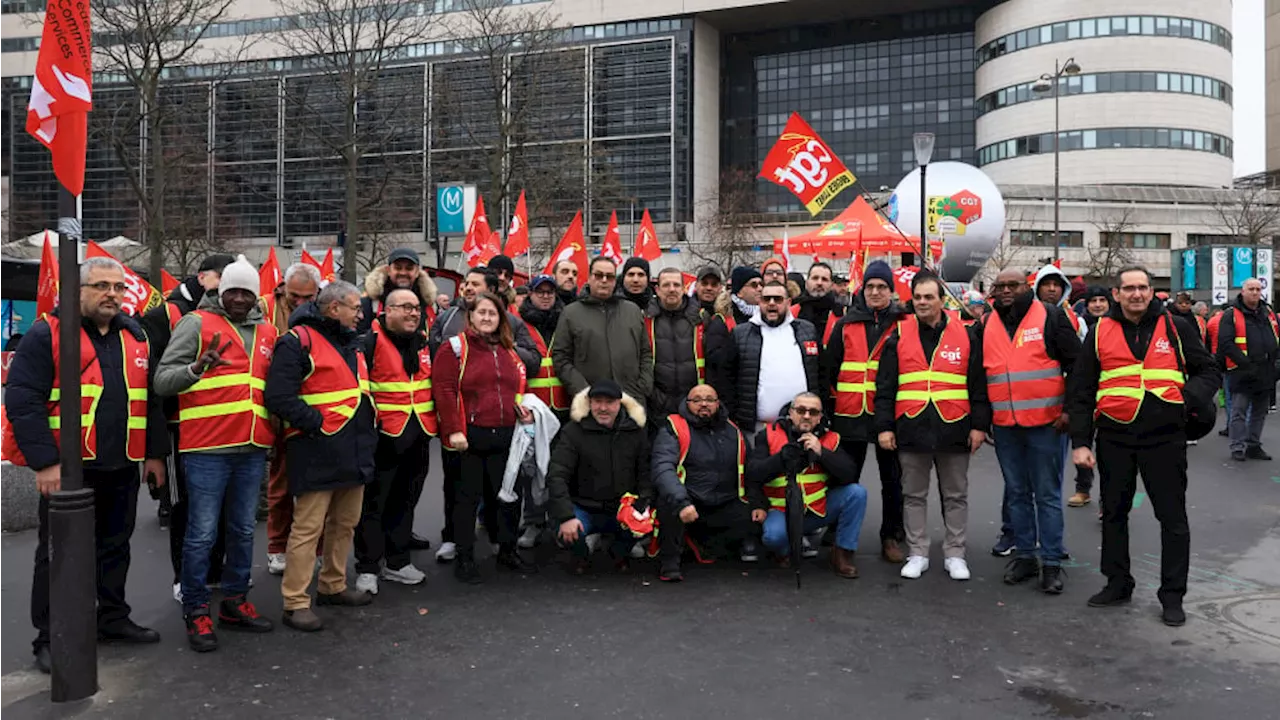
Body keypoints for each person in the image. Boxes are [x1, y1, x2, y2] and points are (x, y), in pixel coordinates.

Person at [6, 257, 168, 673]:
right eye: (101, 286)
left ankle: (111, 618)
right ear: (78, 291)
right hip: (70, 471)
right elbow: (23, 402)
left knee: (116, 548)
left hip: (122, 467)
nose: (112, 294)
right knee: (58, 556)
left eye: (117, 286)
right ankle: (50, 636)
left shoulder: (134, 337)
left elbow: (147, 402)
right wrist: (45, 463)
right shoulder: (47, 335)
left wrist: (153, 455)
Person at [1068, 266, 1219, 627]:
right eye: (1129, 288)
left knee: (1173, 518)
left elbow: (1209, 371)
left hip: (1165, 438)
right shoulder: (1101, 330)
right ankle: (1117, 583)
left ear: (1152, 292)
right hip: (1115, 437)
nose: (1137, 294)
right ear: (1116, 294)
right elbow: (1082, 390)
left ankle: (1172, 595)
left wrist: (1187, 398)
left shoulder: (1177, 327)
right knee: (1114, 515)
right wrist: (1080, 442)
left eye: (1143, 287)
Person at [154, 255, 276, 651]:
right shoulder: (196, 323)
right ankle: (196, 609)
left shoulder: (269, 332)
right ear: (219, 292)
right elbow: (162, 381)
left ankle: (235, 601)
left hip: (253, 447)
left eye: (246, 292)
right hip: (206, 447)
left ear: (256, 296)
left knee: (242, 530)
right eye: (232, 291)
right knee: (202, 535)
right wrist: (195, 369)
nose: (239, 298)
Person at [264, 280, 378, 632]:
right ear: (334, 309)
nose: (360, 315)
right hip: (317, 448)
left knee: (345, 523)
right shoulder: (297, 341)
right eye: (355, 308)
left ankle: (332, 584)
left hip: (353, 448)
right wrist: (318, 424)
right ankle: (295, 602)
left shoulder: (352, 344)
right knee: (308, 528)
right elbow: (279, 396)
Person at [875, 272, 990, 582]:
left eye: (929, 297)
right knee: (913, 495)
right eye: (918, 297)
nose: (923, 302)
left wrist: (979, 426)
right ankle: (918, 553)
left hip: (954, 427)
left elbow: (978, 385)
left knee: (956, 495)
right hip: (911, 427)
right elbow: (884, 387)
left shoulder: (967, 334)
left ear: (942, 300)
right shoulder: (897, 334)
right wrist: (884, 428)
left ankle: (955, 554)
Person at [139, 252, 234, 597]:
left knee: (222, 502)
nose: (233, 289)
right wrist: (156, 439)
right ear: (204, 276)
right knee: (184, 506)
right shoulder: (165, 313)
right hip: (179, 426)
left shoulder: (231, 312)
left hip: (222, 425)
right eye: (226, 279)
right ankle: (183, 578)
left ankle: (214, 571)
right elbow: (153, 377)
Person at [428, 267, 539, 563]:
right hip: (470, 436)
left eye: (493, 314)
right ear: (471, 316)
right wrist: (454, 430)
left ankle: (507, 549)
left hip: (506, 433)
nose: (487, 318)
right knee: (466, 500)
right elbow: (445, 391)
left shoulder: (508, 350)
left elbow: (518, 384)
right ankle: (465, 557)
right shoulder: (455, 348)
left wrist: (525, 412)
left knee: (506, 496)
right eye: (482, 313)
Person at [982, 269, 1081, 594]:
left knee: (1048, 496)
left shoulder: (1051, 316)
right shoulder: (987, 323)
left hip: (1047, 423)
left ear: (1027, 287)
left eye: (1014, 285)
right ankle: (1025, 556)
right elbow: (981, 378)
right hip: (1006, 427)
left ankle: (1051, 563)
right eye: (1001, 286)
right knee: (1018, 495)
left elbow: (1077, 366)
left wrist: (1068, 411)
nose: (1007, 291)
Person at [821, 260, 907, 562]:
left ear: (891, 291)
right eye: (870, 286)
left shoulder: (903, 324)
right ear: (863, 289)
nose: (875, 292)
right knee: (844, 475)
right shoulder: (845, 324)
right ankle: (835, 530)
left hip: (888, 414)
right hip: (849, 413)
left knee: (892, 480)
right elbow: (828, 368)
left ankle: (892, 535)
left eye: (881, 287)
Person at [353, 288, 436, 596]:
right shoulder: (368, 343)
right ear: (386, 311)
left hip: (420, 435)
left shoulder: (426, 342)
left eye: (416, 308)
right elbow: (361, 392)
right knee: (373, 505)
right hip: (383, 438)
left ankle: (398, 562)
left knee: (406, 500)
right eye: (405, 308)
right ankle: (368, 567)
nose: (413, 313)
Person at [745, 392, 867, 576]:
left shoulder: (831, 438)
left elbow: (849, 474)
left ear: (819, 417)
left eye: (813, 412)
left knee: (857, 493)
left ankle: (842, 553)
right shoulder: (768, 434)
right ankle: (785, 549)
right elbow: (753, 473)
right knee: (773, 537)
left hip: (815, 510)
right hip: (781, 511)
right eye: (801, 410)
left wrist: (822, 453)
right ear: (791, 413)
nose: (807, 416)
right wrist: (780, 459)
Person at [546, 380, 652, 574]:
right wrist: (566, 515)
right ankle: (581, 556)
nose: (603, 408)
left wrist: (642, 506)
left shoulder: (635, 431)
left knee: (645, 523)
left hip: (621, 507)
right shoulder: (572, 431)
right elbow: (557, 475)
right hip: (582, 506)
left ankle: (617, 553)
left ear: (620, 404)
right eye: (597, 402)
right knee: (568, 532)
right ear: (589, 403)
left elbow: (645, 473)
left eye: (609, 402)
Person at [652, 385, 756, 581]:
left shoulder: (733, 431)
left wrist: (758, 504)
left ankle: (702, 543)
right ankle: (670, 562)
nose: (704, 404)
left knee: (755, 518)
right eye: (697, 400)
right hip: (690, 501)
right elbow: (662, 468)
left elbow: (750, 470)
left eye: (709, 400)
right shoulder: (673, 426)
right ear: (687, 403)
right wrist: (682, 502)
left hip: (724, 500)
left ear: (718, 404)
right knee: (669, 503)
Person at [260, 263, 322, 575]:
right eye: (293, 295)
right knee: (281, 484)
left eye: (307, 297)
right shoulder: (263, 308)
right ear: (282, 287)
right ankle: (277, 546)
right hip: (277, 410)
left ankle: (317, 547)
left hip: (312, 410)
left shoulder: (323, 312)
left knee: (318, 485)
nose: (299, 302)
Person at [714, 281, 820, 433]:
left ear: (788, 302)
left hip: (802, 428)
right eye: (766, 299)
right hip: (756, 428)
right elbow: (726, 380)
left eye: (777, 299)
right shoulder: (740, 334)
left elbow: (820, 374)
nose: (771, 303)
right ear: (759, 302)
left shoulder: (807, 331)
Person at [552, 256, 652, 401]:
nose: (604, 280)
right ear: (589, 277)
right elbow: (561, 358)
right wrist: (583, 391)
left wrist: (643, 387)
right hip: (590, 404)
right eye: (598, 275)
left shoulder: (632, 311)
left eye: (610, 276)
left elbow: (645, 353)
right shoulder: (570, 313)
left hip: (632, 402)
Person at [1217, 278, 1279, 462]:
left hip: (1266, 371)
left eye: (1258, 289)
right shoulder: (1231, 315)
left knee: (1260, 412)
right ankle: (1237, 446)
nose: (1255, 292)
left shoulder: (1268, 313)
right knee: (1239, 411)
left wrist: (1276, 366)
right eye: (1251, 289)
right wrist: (1246, 364)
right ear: (1242, 291)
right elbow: (1226, 344)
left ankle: (1253, 445)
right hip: (1242, 372)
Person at [1065, 284, 1113, 511]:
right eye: (1093, 301)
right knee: (1082, 443)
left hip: (1110, 396)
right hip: (1084, 393)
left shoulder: (1115, 326)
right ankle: (1083, 489)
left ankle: (1108, 500)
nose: (1098, 305)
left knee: (1108, 453)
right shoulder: (1078, 325)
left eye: (1102, 300)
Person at [646, 268, 708, 420]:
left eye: (676, 285)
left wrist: (698, 398)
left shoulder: (701, 318)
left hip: (695, 405)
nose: (672, 289)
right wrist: (658, 399)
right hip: (657, 407)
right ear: (658, 290)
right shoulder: (646, 320)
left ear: (683, 288)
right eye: (666, 285)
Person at [359, 247, 439, 334]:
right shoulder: (369, 304)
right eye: (398, 268)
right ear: (388, 270)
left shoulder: (428, 305)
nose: (403, 273)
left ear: (417, 272)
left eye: (409, 269)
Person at [793, 262, 845, 342]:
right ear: (807, 283)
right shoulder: (792, 312)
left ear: (831, 285)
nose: (819, 283)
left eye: (824, 279)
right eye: (815, 278)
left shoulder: (841, 313)